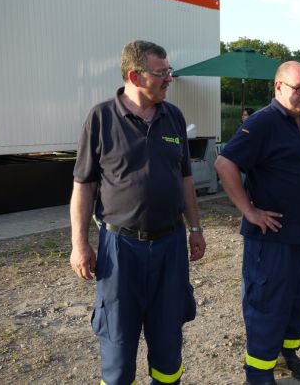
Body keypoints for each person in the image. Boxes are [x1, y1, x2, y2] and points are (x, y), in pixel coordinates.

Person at [69, 40, 206, 385]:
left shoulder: (173, 117)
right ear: (135, 76)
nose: (169, 78)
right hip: (120, 249)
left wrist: (195, 228)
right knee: (117, 342)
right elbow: (83, 186)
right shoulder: (101, 118)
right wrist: (79, 244)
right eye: (162, 73)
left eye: (169, 71)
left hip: (170, 245)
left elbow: (186, 178)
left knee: (168, 341)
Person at [214, 61, 300, 385]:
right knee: (267, 306)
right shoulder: (264, 122)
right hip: (272, 238)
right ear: (278, 87)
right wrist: (249, 210)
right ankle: (259, 373)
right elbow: (224, 163)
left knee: (298, 301)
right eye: (298, 88)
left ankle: (287, 354)